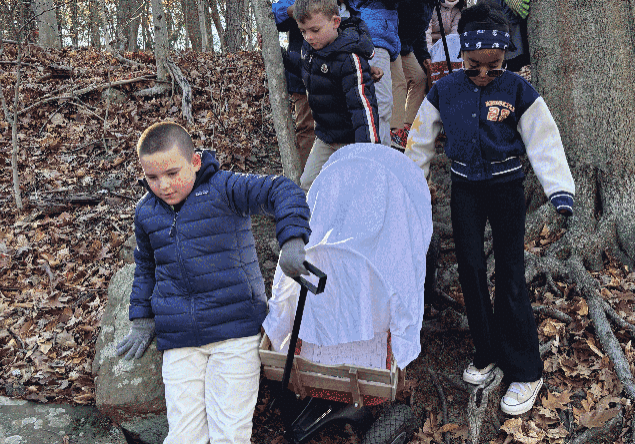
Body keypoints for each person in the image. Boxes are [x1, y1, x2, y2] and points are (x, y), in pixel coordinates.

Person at [405, 0, 575, 416]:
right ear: (461, 55)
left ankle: (525, 369)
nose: (483, 75)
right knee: (469, 268)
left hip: (506, 189)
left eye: (493, 66)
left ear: (506, 57)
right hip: (464, 188)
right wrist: (409, 184)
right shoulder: (445, 91)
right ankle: (486, 350)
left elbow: (544, 140)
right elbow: (420, 140)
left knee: (511, 272)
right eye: (473, 65)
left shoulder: (518, 90)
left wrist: (559, 190)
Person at [115, 121, 312, 444]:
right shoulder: (146, 212)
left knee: (229, 434)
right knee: (183, 436)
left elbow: (281, 189)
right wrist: (141, 319)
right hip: (179, 338)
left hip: (234, 332)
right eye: (152, 177)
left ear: (194, 162)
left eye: (172, 173)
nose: (163, 185)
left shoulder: (225, 188)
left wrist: (292, 239)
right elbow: (146, 267)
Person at [283, 0, 380, 191]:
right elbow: (303, 67)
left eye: (315, 30)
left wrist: (366, 152)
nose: (309, 37)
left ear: (335, 22)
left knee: (350, 189)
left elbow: (364, 110)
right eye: (303, 32)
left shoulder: (349, 59)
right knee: (307, 184)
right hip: (325, 139)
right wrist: (279, 55)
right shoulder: (311, 50)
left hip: (350, 142)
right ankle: (313, 220)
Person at [272, 0, 317, 170]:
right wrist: (295, 9)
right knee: (307, 128)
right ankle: (304, 183)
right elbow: (274, 15)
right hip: (300, 71)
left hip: (335, 72)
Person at [348, 0, 399, 147]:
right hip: (373, 36)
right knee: (380, 104)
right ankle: (379, 159)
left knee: (375, 103)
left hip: (374, 33)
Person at [389, 0, 435, 151]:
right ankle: (394, 131)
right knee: (400, 83)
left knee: (419, 78)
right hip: (390, 42)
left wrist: (423, 55)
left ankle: (408, 127)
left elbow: (420, 30)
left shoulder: (430, 4)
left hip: (405, 46)